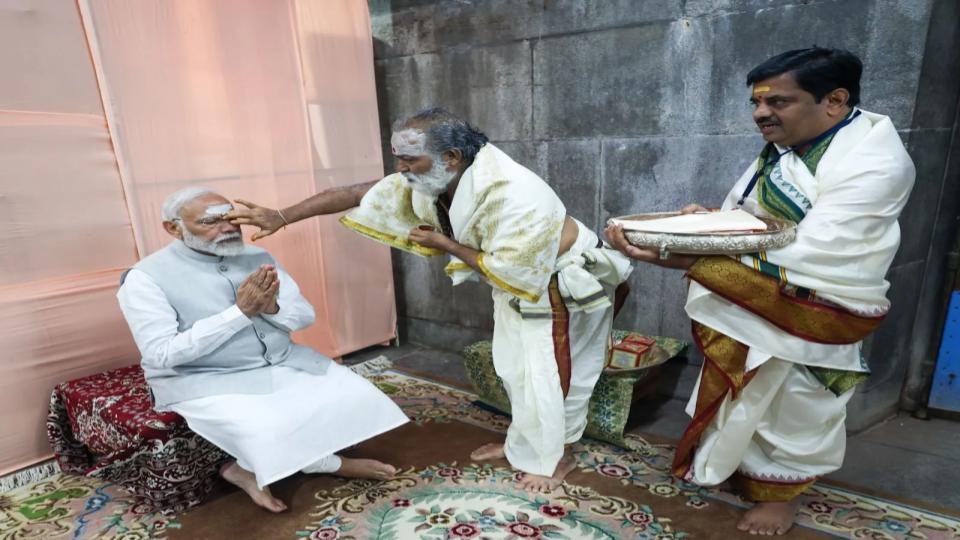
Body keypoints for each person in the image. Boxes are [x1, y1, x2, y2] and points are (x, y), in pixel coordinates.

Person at [226, 108, 632, 492]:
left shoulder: (515, 192)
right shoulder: (439, 175)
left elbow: (515, 270)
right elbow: (354, 192)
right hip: (520, 284)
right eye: (398, 158)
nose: (400, 169)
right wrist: (281, 215)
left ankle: (557, 457)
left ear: (451, 157)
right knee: (517, 370)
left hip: (563, 284)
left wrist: (445, 243)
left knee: (553, 375)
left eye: (409, 160)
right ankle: (524, 447)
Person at [605, 47, 915, 535]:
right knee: (747, 385)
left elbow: (819, 250)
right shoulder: (792, 146)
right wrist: (708, 221)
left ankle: (783, 495)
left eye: (778, 102)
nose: (760, 114)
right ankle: (743, 468)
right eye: (756, 102)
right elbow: (753, 217)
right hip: (766, 285)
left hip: (819, 298)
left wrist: (689, 256)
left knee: (796, 398)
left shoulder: (876, 161)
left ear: (834, 100)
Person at [116, 187, 409, 513]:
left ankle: (292, 462)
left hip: (279, 360)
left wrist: (272, 309)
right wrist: (238, 314)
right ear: (173, 228)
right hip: (204, 376)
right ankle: (308, 465)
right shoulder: (145, 278)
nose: (227, 228)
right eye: (210, 222)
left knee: (356, 396)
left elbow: (303, 316)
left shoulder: (257, 257)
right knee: (269, 426)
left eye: (230, 218)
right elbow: (162, 354)